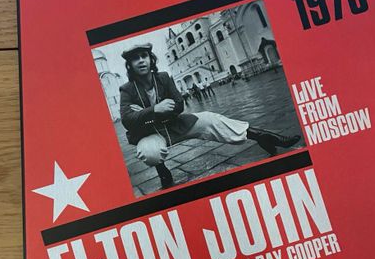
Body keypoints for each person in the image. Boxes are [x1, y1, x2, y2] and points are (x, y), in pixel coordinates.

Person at [119, 44, 301, 189]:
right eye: (135, 58)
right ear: (130, 65)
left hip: (176, 126)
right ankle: (162, 170)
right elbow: (127, 120)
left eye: (144, 56)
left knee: (212, 120)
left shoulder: (164, 77)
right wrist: (155, 109)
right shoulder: (127, 89)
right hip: (151, 134)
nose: (141, 61)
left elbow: (179, 104)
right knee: (150, 153)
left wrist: (142, 113)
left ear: (150, 59)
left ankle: (263, 137)